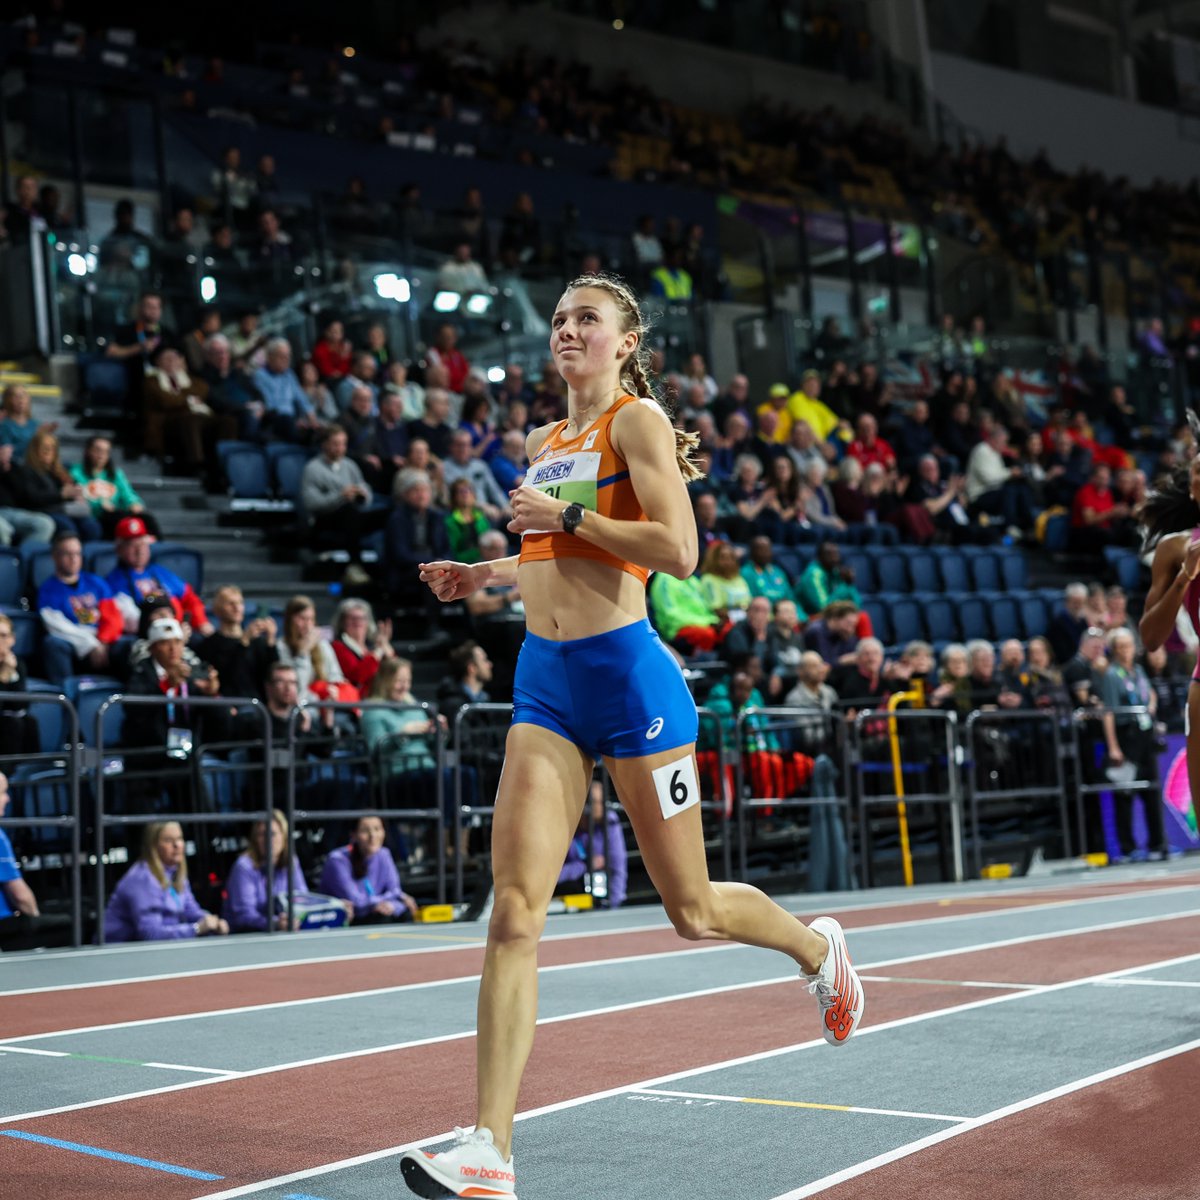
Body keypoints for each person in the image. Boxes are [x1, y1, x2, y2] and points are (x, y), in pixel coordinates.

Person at [404, 272, 863, 1198]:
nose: (569, 330)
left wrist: (568, 513)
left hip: (633, 686)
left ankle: (818, 951)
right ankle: (491, 1147)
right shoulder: (543, 439)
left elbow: (677, 550)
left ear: (624, 343)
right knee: (514, 912)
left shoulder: (634, 424)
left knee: (690, 910)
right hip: (545, 687)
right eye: (562, 319)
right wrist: (486, 573)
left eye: (589, 320)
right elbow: (551, 554)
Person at [1098, 627, 1166, 861]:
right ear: (1115, 651)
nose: (1126, 651)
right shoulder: (1111, 674)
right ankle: (1127, 848)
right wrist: (1113, 747)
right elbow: (1108, 713)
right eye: (1121, 647)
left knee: (1152, 791)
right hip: (1125, 736)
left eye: (1128, 646)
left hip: (1144, 734)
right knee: (1125, 793)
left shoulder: (1138, 671)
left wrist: (1153, 703)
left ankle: (1157, 844)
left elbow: (1149, 694)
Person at [103, 821, 229, 941]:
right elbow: (150, 934)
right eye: (168, 840)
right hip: (118, 952)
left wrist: (211, 921)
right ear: (153, 846)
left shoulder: (175, 872)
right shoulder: (143, 878)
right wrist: (196, 929)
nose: (177, 845)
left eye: (180, 838)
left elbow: (190, 909)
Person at [0, 771, 73, 950]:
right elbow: (20, 897)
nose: (7, 799)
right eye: (2, 793)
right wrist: (35, 918)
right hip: (5, 926)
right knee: (77, 925)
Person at [37, 532, 123, 683]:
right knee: (53, 643)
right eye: (67, 554)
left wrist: (103, 640)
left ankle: (128, 698)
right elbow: (57, 627)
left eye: (77, 553)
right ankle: (65, 698)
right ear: (55, 556)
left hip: (102, 642)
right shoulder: (48, 590)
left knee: (128, 645)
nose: (73, 559)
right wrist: (90, 643)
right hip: (75, 645)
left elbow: (113, 616)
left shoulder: (96, 582)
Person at [105, 516, 211, 636]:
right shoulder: (113, 582)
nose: (139, 550)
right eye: (132, 545)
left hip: (180, 631)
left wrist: (201, 622)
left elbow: (190, 598)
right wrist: (171, 629)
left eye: (143, 544)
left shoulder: (159, 571)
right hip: (155, 636)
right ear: (119, 550)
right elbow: (133, 620)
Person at [299, 425, 373, 583]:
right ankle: (355, 565)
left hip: (351, 516)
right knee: (349, 511)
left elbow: (365, 487)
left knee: (388, 513)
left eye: (343, 443)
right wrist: (341, 496)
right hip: (324, 520)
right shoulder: (312, 468)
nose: (340, 448)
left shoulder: (350, 465)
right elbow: (312, 503)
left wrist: (362, 494)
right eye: (336, 443)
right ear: (324, 444)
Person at [319, 814, 418, 923]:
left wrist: (393, 905)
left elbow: (395, 889)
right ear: (353, 835)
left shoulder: (384, 854)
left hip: (374, 913)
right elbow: (357, 903)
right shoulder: (337, 860)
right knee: (383, 917)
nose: (373, 835)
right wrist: (394, 899)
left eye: (377, 829)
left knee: (404, 912)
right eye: (365, 831)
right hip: (346, 919)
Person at [224, 808, 308, 933]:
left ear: (284, 837)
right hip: (246, 936)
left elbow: (303, 899)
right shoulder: (244, 866)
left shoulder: (291, 862)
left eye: (272, 834)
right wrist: (276, 923)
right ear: (255, 840)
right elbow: (244, 915)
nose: (267, 839)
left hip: (282, 931)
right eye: (262, 834)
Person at [13, 430, 102, 542]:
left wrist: (76, 492)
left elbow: (72, 489)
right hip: (43, 511)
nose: (48, 451)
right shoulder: (25, 471)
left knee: (92, 527)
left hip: (65, 509)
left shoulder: (59, 471)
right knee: (68, 528)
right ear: (34, 450)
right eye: (44, 447)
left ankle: (86, 557)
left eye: (52, 448)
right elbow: (31, 498)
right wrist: (61, 494)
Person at [557, 780, 628, 909]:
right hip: (566, 900)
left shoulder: (609, 821)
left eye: (602, 801)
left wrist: (612, 906)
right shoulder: (565, 825)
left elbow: (618, 868)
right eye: (595, 802)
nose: (601, 806)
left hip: (600, 900)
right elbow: (555, 875)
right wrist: (585, 866)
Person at [69, 436, 159, 537]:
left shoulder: (116, 474)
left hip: (117, 512)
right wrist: (100, 504)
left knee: (147, 518)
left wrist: (134, 503)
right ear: (88, 451)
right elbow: (79, 496)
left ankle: (159, 548)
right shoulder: (76, 472)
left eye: (106, 452)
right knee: (121, 519)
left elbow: (127, 493)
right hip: (97, 515)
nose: (101, 455)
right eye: (98, 450)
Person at [274, 595, 349, 705]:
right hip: (299, 703)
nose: (307, 625)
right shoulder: (281, 646)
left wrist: (332, 687)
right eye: (302, 619)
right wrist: (304, 653)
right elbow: (296, 688)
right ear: (289, 620)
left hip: (326, 702)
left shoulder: (322, 645)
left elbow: (335, 675)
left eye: (311, 619)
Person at [331, 598, 394, 694]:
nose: (358, 622)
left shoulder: (372, 646)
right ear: (342, 622)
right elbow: (357, 676)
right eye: (352, 618)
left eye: (362, 618)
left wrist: (386, 648)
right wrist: (378, 651)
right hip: (360, 701)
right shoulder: (338, 646)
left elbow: (396, 672)